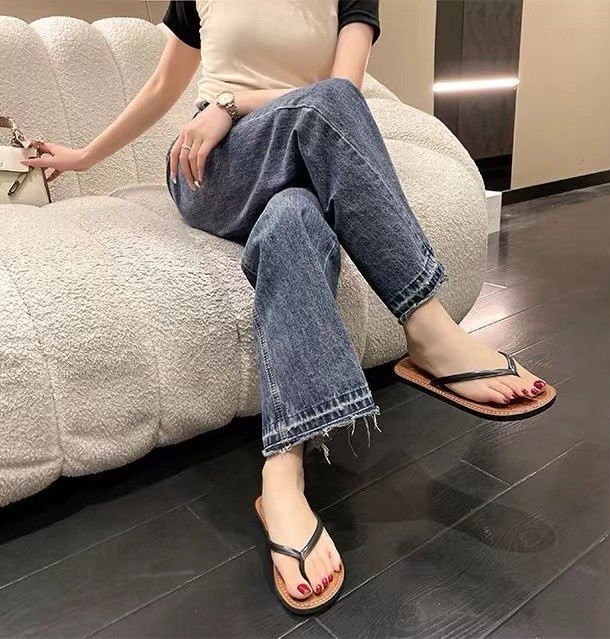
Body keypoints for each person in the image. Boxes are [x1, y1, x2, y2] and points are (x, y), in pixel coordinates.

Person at [22, 0, 552, 615]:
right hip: (213, 167)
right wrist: (85, 156)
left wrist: (229, 104)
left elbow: (345, 93)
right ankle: (426, 325)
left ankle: (282, 475)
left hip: (294, 151)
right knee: (321, 108)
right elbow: (164, 86)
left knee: (293, 217)